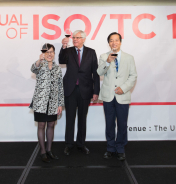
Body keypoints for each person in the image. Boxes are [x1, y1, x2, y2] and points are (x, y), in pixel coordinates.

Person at [97, 32, 137, 161]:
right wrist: (108, 62)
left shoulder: (129, 58)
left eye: (116, 40)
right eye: (111, 41)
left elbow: (133, 76)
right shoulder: (104, 56)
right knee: (109, 124)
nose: (114, 43)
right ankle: (110, 148)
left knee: (122, 123)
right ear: (108, 43)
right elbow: (99, 72)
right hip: (108, 96)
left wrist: (124, 88)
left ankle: (120, 148)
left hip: (122, 96)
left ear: (120, 42)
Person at [59, 30, 100, 155]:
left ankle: (81, 144)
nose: (75, 39)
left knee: (82, 118)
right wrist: (64, 47)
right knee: (70, 118)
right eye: (74, 37)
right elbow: (61, 60)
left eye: (77, 37)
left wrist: (96, 91)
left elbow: (95, 73)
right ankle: (69, 144)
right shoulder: (69, 51)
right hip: (70, 90)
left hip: (85, 90)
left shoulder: (91, 52)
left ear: (83, 39)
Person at [30, 43, 65, 163]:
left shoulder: (57, 68)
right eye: (47, 52)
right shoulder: (40, 65)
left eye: (51, 52)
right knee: (41, 125)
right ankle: (42, 151)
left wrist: (60, 103)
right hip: (40, 101)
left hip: (53, 102)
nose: (49, 54)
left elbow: (60, 86)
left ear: (54, 54)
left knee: (51, 125)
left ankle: (49, 150)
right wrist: (39, 60)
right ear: (43, 53)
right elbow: (33, 68)